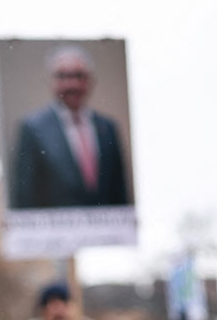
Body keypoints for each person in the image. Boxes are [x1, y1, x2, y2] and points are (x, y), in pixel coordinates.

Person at [10, 45, 130, 209]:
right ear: (51, 81)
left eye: (78, 76)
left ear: (90, 80)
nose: (72, 84)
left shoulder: (108, 128)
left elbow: (119, 192)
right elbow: (24, 196)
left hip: (103, 232)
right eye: (63, 76)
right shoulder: (33, 129)